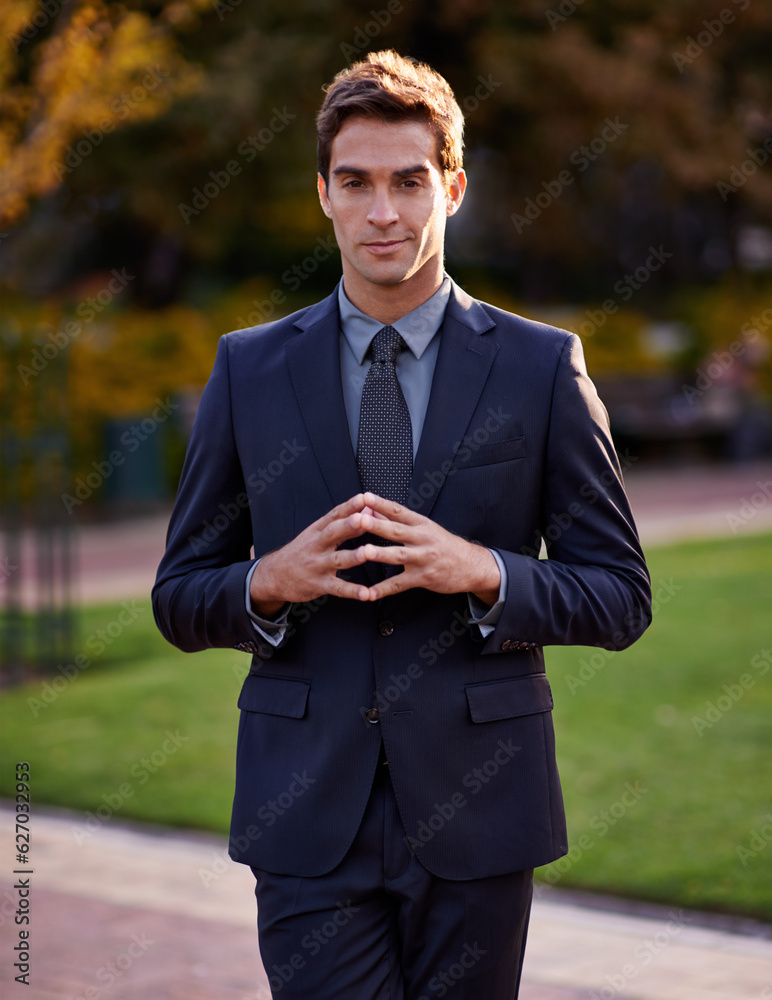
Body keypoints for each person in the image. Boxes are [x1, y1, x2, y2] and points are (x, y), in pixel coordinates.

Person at [153, 49, 651, 1000]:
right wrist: (265, 582)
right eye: (357, 182)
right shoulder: (248, 370)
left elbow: (621, 597)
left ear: (452, 188)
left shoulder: (542, 368)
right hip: (303, 813)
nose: (384, 211)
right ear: (323, 195)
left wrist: (486, 571)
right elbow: (179, 597)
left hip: (481, 808)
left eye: (409, 181)